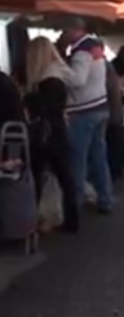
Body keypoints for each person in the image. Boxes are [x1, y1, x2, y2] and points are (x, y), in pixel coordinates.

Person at [22, 37, 79, 233]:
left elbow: (45, 108)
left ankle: (30, 220)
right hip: (58, 130)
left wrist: (29, 99)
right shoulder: (58, 74)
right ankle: (71, 220)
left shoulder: (48, 80)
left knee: (37, 176)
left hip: (46, 134)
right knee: (65, 177)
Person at [58, 18, 113, 215]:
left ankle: (75, 206)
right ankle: (105, 199)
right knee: (99, 157)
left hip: (84, 110)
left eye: (65, 30)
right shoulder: (96, 47)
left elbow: (78, 80)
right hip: (101, 106)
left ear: (74, 29)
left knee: (78, 159)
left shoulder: (81, 51)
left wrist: (59, 67)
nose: (63, 34)